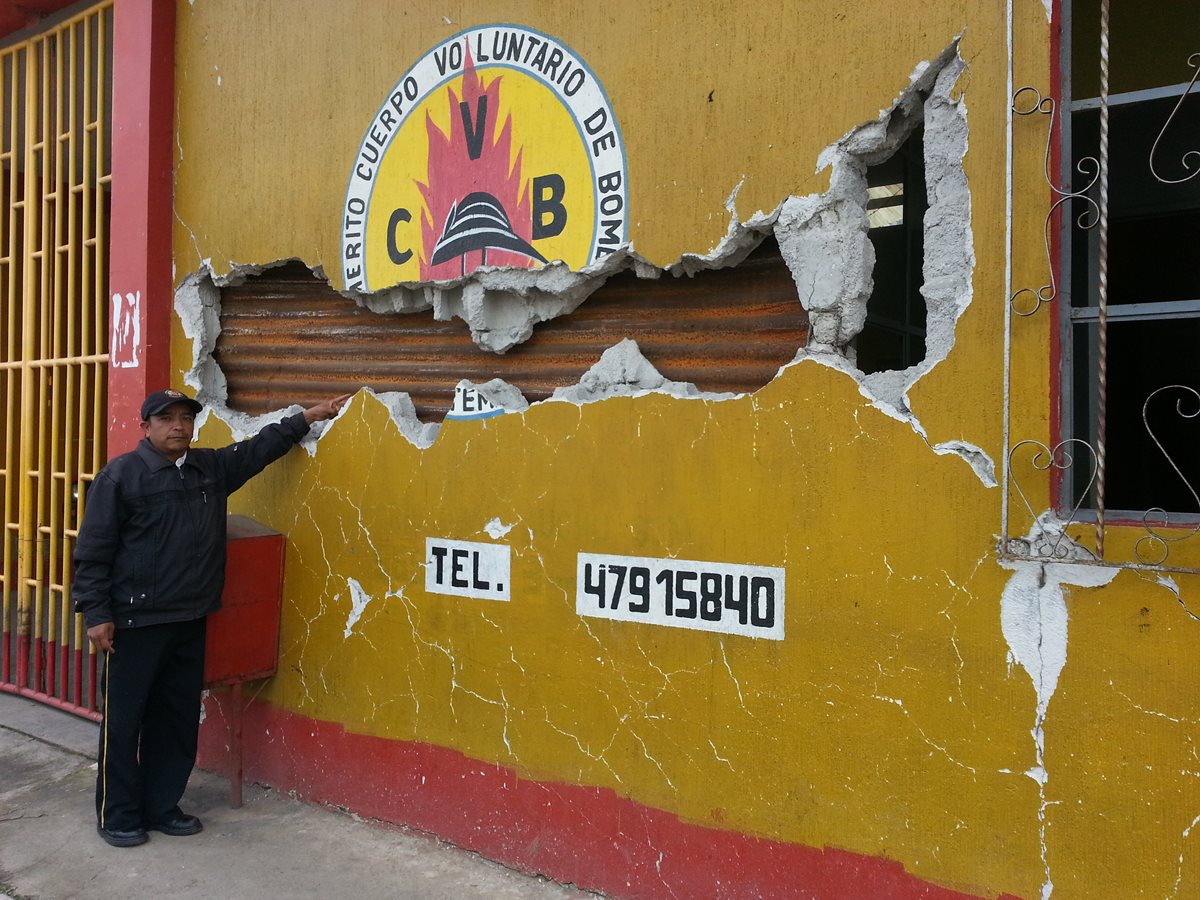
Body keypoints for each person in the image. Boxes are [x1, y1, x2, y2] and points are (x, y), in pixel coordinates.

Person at [72, 388, 350, 847]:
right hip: (134, 624)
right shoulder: (121, 477)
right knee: (124, 723)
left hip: (190, 618)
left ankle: (162, 806)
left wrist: (306, 417)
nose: (178, 426)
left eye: (186, 417)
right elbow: (94, 552)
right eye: (166, 419)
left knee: (177, 719)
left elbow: (258, 449)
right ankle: (118, 814)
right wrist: (97, 613)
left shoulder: (209, 470)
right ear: (146, 427)